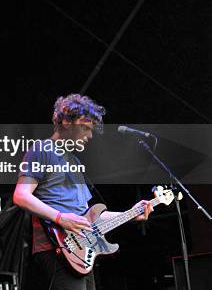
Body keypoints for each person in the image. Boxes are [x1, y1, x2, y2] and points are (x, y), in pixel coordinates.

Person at [13, 94, 153, 290]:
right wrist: (60, 217)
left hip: (80, 254)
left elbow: (89, 219)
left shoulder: (76, 162)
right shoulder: (41, 150)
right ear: (65, 121)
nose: (90, 135)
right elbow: (21, 196)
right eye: (85, 128)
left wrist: (130, 214)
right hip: (56, 250)